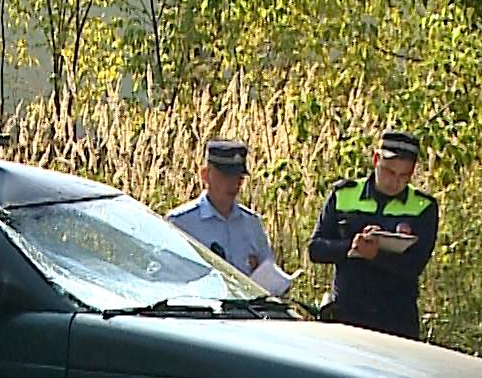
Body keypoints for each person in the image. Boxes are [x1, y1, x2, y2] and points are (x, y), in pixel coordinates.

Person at [307, 129, 437, 338]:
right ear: (376, 159)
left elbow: (415, 265)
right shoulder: (343, 194)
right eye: (389, 172)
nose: (395, 182)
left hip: (396, 319)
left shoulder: (423, 207)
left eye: (404, 176)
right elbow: (316, 249)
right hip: (347, 316)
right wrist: (352, 246)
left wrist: (377, 254)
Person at [166, 138, 277, 285]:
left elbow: (268, 273)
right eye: (226, 177)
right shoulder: (181, 223)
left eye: (239, 178)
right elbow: (170, 276)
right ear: (205, 175)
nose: (234, 184)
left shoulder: (251, 223)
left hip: (246, 307)